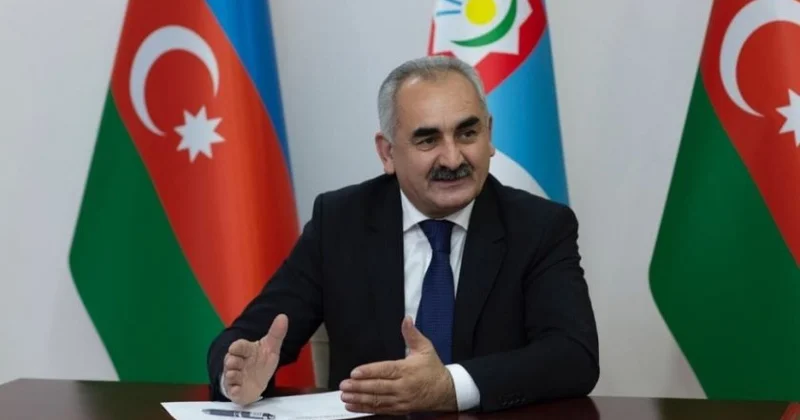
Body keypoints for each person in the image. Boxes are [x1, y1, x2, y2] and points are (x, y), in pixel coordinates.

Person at [207, 55, 599, 415]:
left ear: (489, 134)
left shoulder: (540, 227)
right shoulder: (341, 222)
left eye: (467, 133)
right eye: (428, 140)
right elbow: (246, 340)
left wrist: (449, 387)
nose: (453, 158)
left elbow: (573, 355)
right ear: (388, 153)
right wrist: (238, 376)